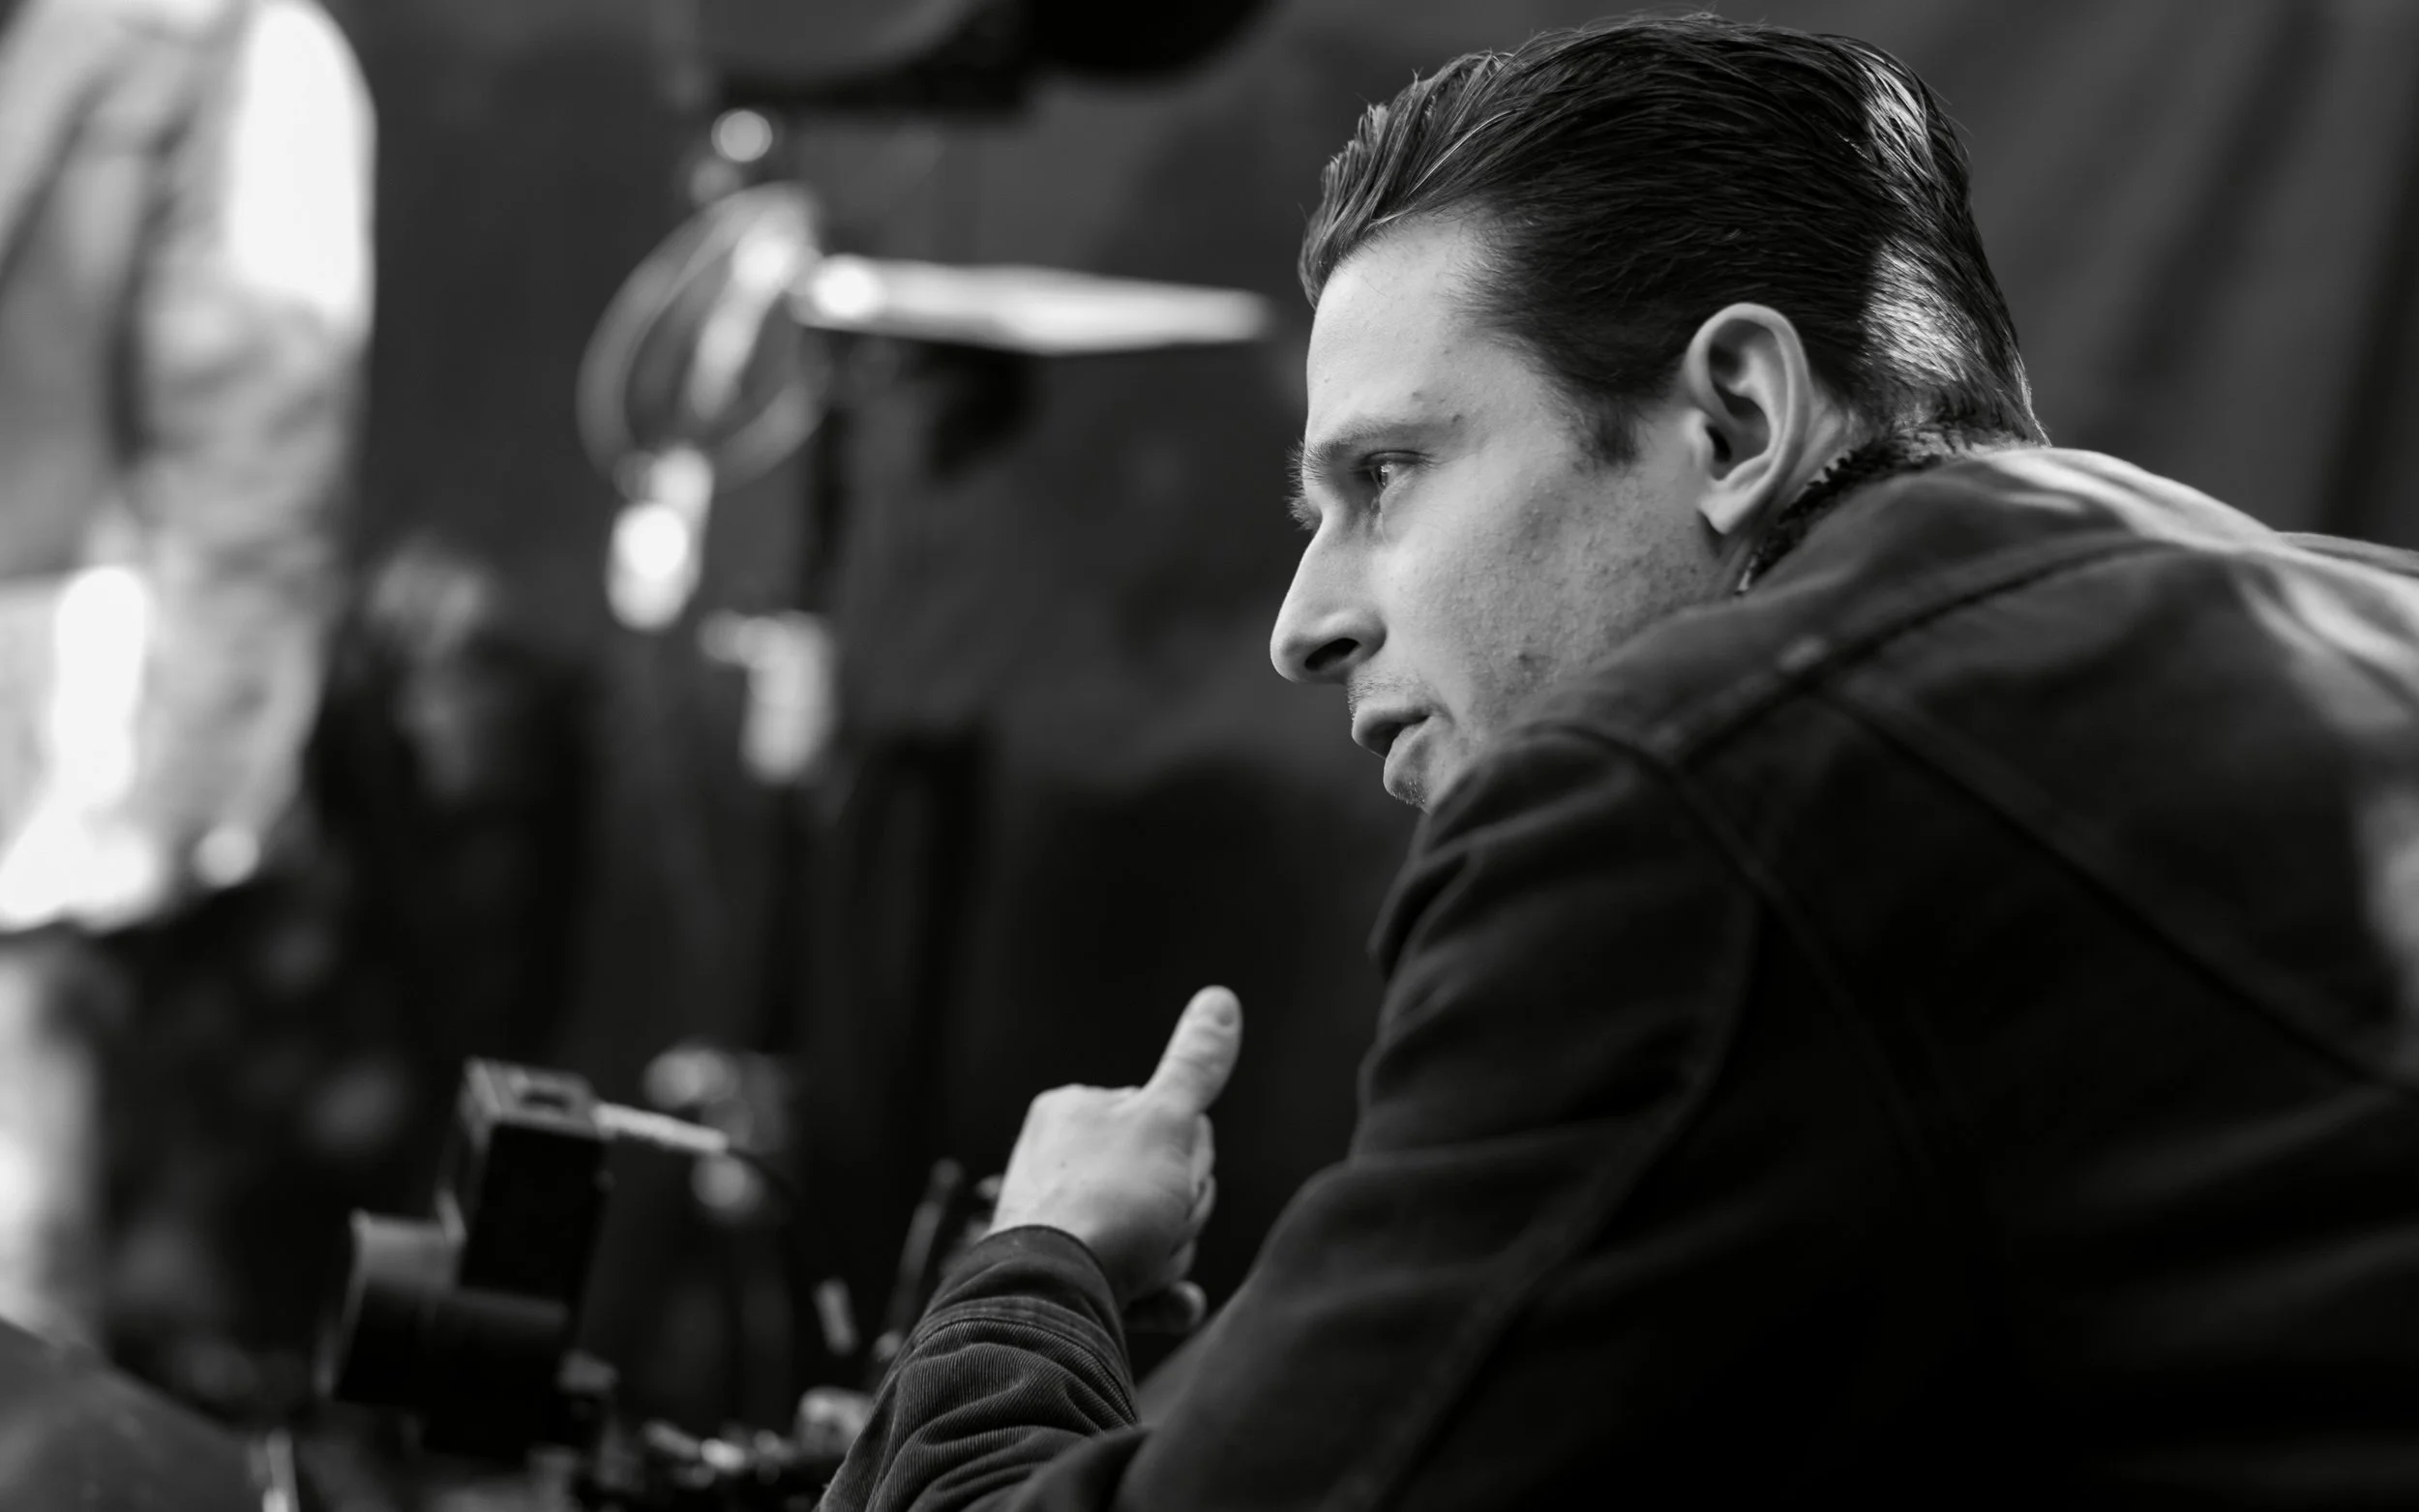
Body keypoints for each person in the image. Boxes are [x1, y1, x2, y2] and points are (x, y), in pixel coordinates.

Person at [825, 15, 2419, 1508]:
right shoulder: (2341, 622)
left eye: (1386, 475)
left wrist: (1035, 1264)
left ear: (1733, 421)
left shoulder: (1694, 797)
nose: (1304, 626)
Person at [0, 0, 372, 1345]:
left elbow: (258, 472)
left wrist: (183, 806)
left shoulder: (236, 47)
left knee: (26, 1274)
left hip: (71, 790)